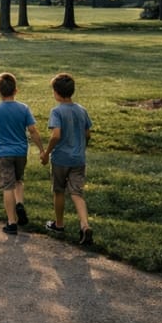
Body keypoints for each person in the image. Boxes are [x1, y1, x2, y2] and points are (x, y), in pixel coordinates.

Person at [0, 72, 44, 235]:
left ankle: (11, 222)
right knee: (18, 180)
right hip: (21, 152)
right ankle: (20, 203)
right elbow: (33, 130)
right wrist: (42, 150)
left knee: (7, 187)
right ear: (16, 90)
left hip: (3, 153)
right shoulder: (23, 108)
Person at [39, 73, 94, 245]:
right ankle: (85, 226)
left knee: (59, 191)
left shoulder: (56, 111)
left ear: (56, 92)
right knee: (77, 193)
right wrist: (81, 148)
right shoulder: (81, 110)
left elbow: (56, 135)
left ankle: (59, 224)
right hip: (78, 159)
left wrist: (47, 153)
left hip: (61, 159)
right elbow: (87, 133)